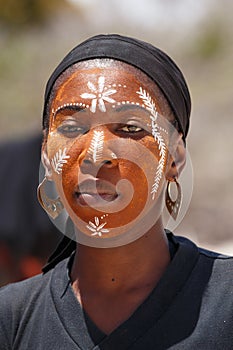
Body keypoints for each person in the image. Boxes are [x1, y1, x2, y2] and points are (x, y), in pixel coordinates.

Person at [0, 34, 232, 349]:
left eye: (130, 128)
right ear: (46, 156)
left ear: (175, 157)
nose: (96, 154)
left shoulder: (226, 300)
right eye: (71, 128)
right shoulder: (11, 319)